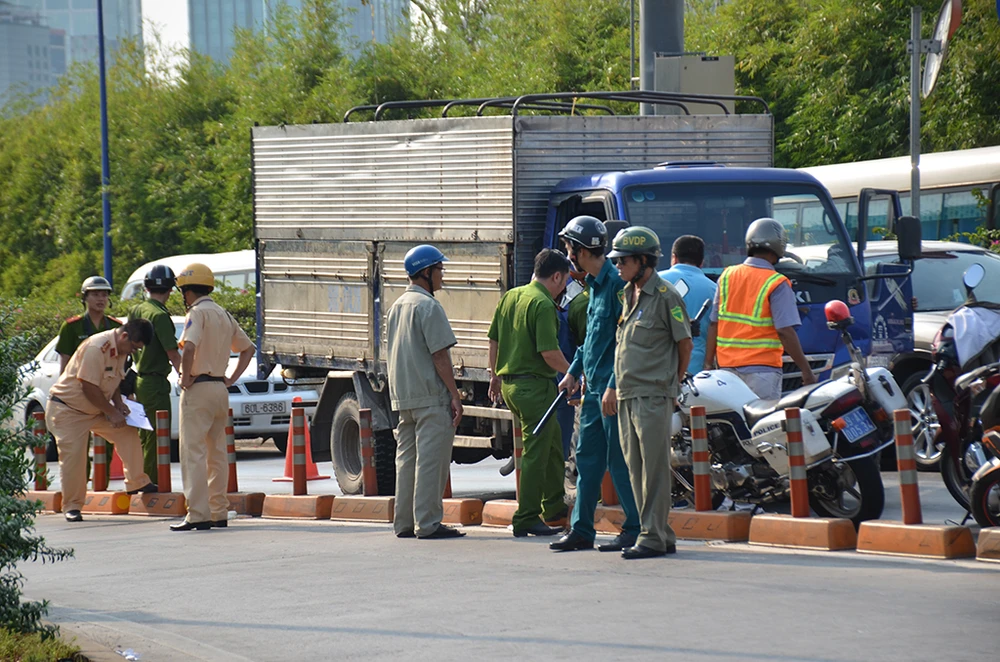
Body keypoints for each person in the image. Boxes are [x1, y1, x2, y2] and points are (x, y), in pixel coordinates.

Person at [550, 216, 642, 554]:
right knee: (586, 461)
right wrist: (573, 372)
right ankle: (581, 530)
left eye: (569, 248)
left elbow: (625, 343)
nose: (567, 255)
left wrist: (614, 385)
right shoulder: (594, 286)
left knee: (618, 461)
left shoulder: (617, 286)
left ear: (581, 250)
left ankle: (635, 528)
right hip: (592, 391)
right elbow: (591, 340)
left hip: (612, 391)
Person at [606, 226, 692, 559]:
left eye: (623, 261)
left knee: (654, 469)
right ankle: (660, 533)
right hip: (628, 393)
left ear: (643, 260)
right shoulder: (627, 294)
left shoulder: (666, 296)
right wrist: (613, 387)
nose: (618, 266)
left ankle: (652, 536)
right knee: (636, 469)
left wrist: (673, 383)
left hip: (653, 393)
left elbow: (684, 343)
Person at [488, 249, 573, 537]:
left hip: (512, 385)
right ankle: (526, 517)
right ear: (557, 276)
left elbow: (493, 339)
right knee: (536, 453)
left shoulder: (511, 296)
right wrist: (574, 373)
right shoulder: (543, 303)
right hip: (535, 387)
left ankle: (554, 507)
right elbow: (549, 353)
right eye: (565, 281)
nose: (564, 289)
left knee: (553, 447)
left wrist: (494, 375)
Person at [386, 245, 465, 540]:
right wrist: (454, 394)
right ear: (426, 272)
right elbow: (440, 356)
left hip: (404, 398)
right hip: (431, 397)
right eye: (439, 269)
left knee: (406, 463)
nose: (442, 275)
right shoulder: (429, 306)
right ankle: (428, 523)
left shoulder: (397, 306)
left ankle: (404, 523)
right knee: (431, 462)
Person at [45, 319, 158, 522]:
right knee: (74, 459)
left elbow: (114, 380)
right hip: (68, 411)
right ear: (124, 336)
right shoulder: (96, 348)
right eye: (134, 347)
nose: (133, 352)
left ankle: (137, 482)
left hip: (95, 409)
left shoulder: (121, 350)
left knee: (127, 432)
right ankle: (72, 506)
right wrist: (112, 412)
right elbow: (88, 386)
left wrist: (119, 404)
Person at [171, 263, 254, 532]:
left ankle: (197, 514)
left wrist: (185, 377)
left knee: (193, 453)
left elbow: (189, 348)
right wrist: (231, 379)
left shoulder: (197, 313)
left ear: (187, 291)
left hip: (199, 389)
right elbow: (248, 349)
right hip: (220, 388)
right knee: (217, 453)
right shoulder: (223, 313)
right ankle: (219, 511)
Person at [704, 218, 817, 400]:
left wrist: (708, 364)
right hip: (762, 372)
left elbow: (713, 324)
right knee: (763, 419)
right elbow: (785, 331)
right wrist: (806, 370)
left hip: (726, 372)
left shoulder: (727, 276)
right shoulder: (776, 282)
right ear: (779, 245)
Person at [55, 276, 123, 479]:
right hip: (79, 393)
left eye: (104, 295)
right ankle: (80, 486)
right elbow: (65, 366)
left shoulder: (115, 327)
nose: (100, 299)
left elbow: (117, 369)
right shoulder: (72, 327)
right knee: (77, 446)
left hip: (106, 392)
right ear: (85, 298)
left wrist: (119, 401)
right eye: (95, 294)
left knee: (108, 442)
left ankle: (102, 485)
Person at [130, 265, 182, 479]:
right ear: (170, 289)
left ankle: (139, 478)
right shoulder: (160, 316)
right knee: (157, 434)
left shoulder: (137, 310)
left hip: (140, 380)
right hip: (156, 383)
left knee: (144, 435)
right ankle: (153, 481)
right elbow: (173, 353)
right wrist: (186, 377)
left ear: (147, 287)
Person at [659, 235, 717, 374]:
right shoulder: (715, 289)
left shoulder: (655, 282)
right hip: (698, 371)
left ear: (674, 258)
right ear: (701, 262)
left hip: (659, 368)